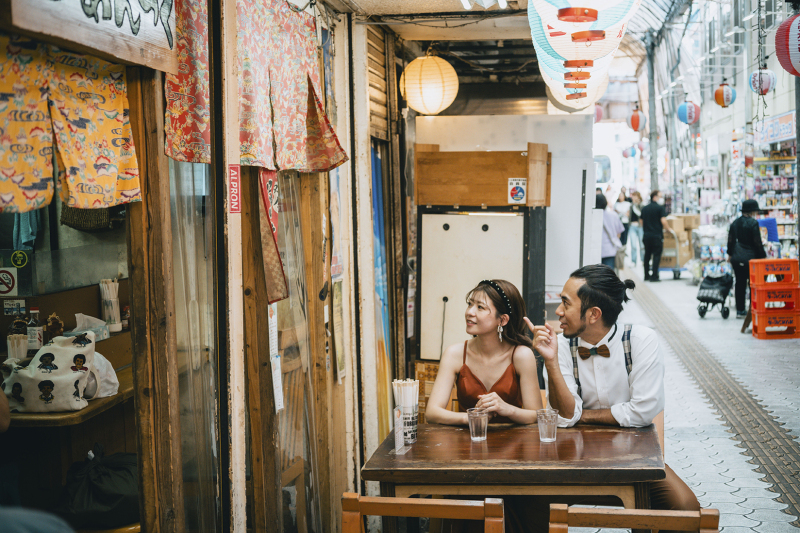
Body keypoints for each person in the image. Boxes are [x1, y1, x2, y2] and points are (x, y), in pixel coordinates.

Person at [527, 265, 700, 533]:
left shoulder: (641, 341)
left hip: (634, 461)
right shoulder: (560, 346)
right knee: (521, 499)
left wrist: (581, 416)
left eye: (565, 303)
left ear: (593, 314)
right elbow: (563, 418)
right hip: (571, 460)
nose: (558, 312)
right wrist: (549, 362)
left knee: (685, 508)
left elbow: (643, 412)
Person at [426, 279, 543, 426]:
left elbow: (538, 415)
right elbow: (431, 412)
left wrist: (508, 409)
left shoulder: (521, 355)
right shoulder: (454, 354)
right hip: (467, 441)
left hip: (513, 443)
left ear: (502, 320)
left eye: (480, 307)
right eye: (470, 304)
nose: (469, 312)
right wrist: (470, 418)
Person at [727, 199, 767, 318]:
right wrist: (763, 256)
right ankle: (752, 309)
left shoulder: (735, 223)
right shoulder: (753, 223)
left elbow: (730, 241)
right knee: (752, 284)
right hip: (751, 260)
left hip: (737, 258)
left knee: (739, 284)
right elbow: (757, 243)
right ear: (751, 211)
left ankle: (740, 310)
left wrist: (730, 255)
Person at [641, 190, 671, 282]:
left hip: (646, 236)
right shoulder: (660, 208)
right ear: (655, 197)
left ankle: (646, 275)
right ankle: (654, 276)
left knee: (647, 255)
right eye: (659, 196)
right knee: (656, 256)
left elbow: (641, 221)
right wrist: (668, 229)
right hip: (656, 236)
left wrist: (647, 228)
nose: (660, 198)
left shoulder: (644, 208)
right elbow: (663, 221)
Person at [597, 194, 624, 271]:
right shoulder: (613, 215)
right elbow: (619, 232)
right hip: (610, 250)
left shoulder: (591, 217)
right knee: (608, 276)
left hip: (595, 250)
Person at [628, 191, 644, 267]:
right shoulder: (631, 205)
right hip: (632, 226)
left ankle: (643, 260)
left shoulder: (641, 205)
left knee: (642, 244)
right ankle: (633, 261)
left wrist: (636, 205)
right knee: (633, 245)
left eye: (634, 196)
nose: (633, 198)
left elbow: (641, 215)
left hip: (640, 226)